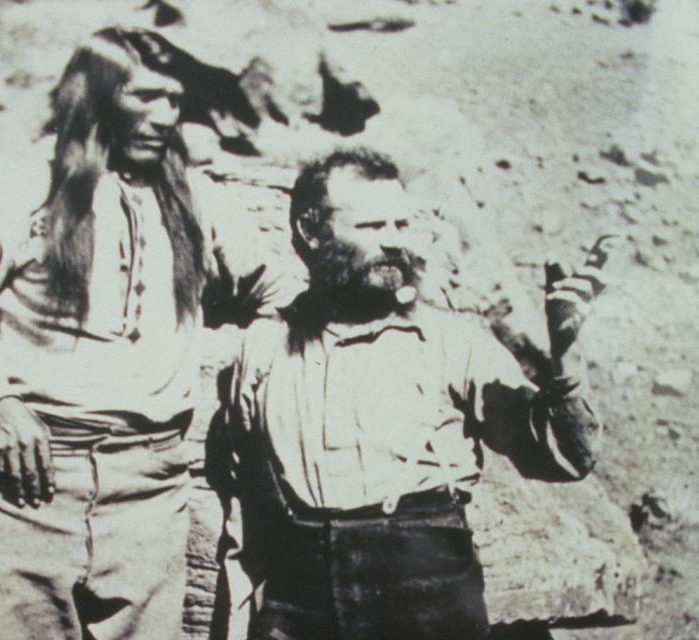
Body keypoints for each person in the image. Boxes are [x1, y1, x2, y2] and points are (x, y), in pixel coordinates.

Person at [0, 27, 278, 640]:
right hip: (24, 488)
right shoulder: (13, 190)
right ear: (95, 96)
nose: (164, 116)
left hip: (149, 492)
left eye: (173, 99)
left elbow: (274, 288)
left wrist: (262, 360)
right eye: (143, 97)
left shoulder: (194, 199)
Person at [212, 148, 612, 640]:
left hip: (426, 595)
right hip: (303, 603)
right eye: (373, 226)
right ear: (310, 232)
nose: (394, 243)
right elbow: (248, 518)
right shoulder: (263, 351)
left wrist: (565, 356)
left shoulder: (453, 342)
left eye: (402, 225)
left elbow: (563, 457)